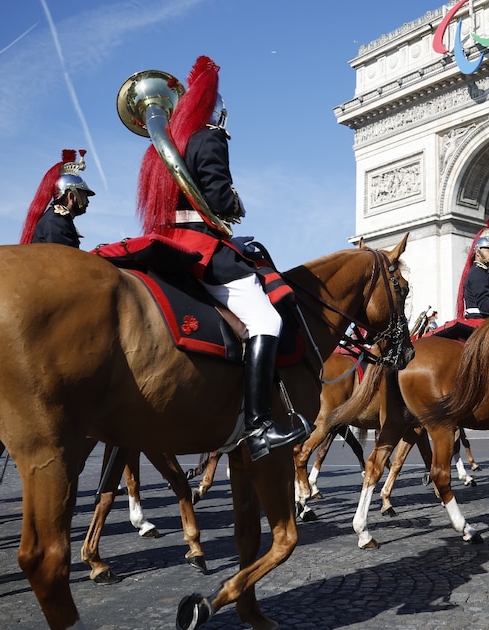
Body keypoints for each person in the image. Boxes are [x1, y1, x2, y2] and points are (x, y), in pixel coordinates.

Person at [136, 55, 309, 461]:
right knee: (266, 319)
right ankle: (260, 425)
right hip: (199, 246)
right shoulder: (208, 136)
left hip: (165, 245)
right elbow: (215, 196)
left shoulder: (157, 150)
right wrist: (234, 202)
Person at [18, 149, 94, 247]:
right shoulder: (56, 221)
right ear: (71, 196)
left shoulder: (60, 219)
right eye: (84, 196)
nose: (87, 201)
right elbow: (64, 259)